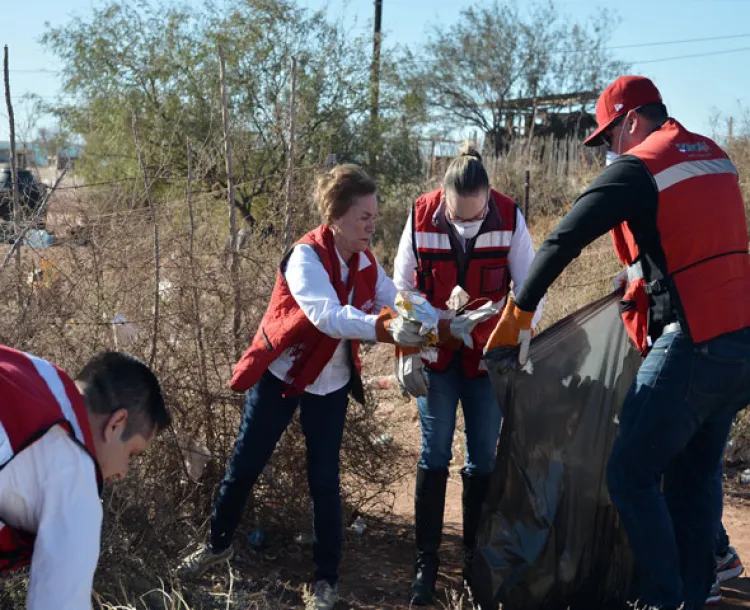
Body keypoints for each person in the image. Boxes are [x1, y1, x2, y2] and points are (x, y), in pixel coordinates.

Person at [485, 75, 750, 610]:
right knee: (692, 481)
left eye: (608, 138)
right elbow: (691, 244)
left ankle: (662, 597)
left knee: (629, 474)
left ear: (631, 120)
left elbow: (564, 238)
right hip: (740, 348)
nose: (607, 151)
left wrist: (520, 312)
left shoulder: (640, 165)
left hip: (692, 343)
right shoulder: (716, 155)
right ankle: (696, 595)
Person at [179, 164, 485, 610]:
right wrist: (387, 329)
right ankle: (216, 544)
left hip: (332, 383)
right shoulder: (306, 257)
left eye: (374, 217)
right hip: (284, 376)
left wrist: (444, 320)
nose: (371, 225)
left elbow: (396, 299)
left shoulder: (364, 261)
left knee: (324, 480)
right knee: (245, 463)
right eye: (364, 217)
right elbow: (327, 315)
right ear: (336, 217)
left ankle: (326, 582)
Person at [393, 145, 542, 605]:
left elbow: (530, 287)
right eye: (458, 218)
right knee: (434, 453)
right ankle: (427, 564)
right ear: (443, 196)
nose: (466, 226)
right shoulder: (420, 215)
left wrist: (517, 332)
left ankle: (475, 563)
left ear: (489, 199)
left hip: (484, 360)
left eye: (475, 219)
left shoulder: (510, 216)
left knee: (483, 460)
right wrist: (411, 343)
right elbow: (401, 286)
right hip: (437, 355)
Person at [0, 345, 170, 609]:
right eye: (132, 454)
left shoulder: (32, 371)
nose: (124, 471)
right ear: (115, 424)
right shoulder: (76, 480)